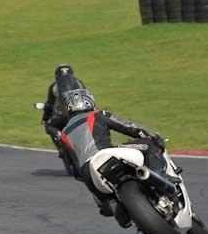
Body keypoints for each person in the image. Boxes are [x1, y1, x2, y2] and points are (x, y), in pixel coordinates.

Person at [60, 89, 158, 225]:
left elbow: (73, 167)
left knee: (108, 208)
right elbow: (128, 127)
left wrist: (96, 193)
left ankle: (111, 203)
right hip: (108, 155)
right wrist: (149, 134)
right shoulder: (96, 114)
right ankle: (159, 177)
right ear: (90, 101)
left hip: (88, 171)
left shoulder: (64, 133)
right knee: (149, 144)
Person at [41, 64, 86, 139]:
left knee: (49, 125)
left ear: (56, 76)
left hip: (63, 116)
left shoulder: (54, 87)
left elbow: (49, 105)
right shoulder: (79, 83)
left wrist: (45, 118)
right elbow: (87, 97)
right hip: (80, 114)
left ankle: (60, 137)